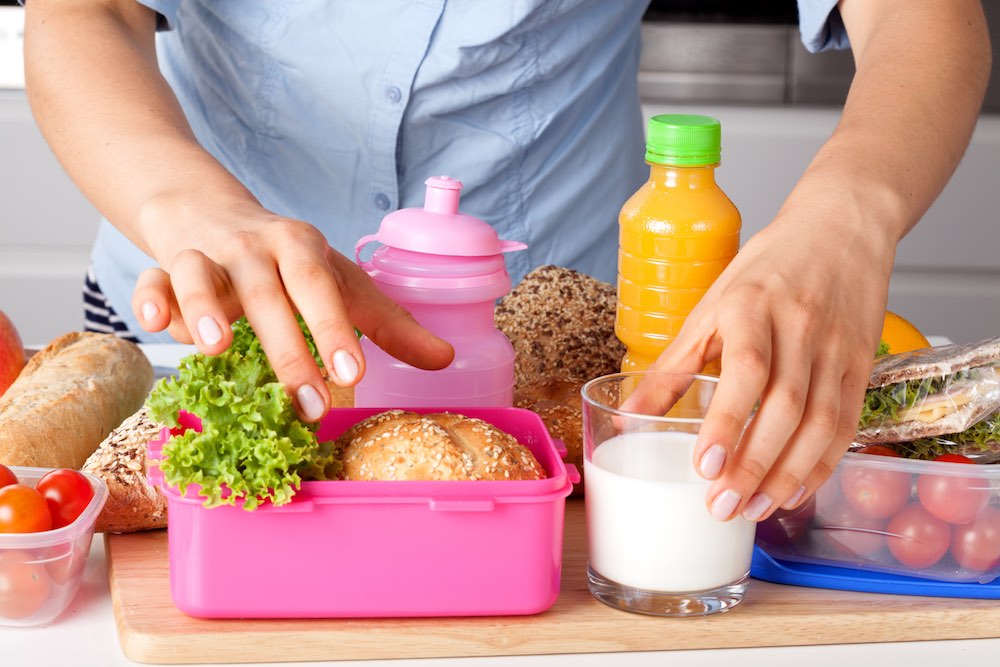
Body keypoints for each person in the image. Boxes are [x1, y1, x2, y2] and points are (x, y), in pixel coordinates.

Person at [22, 1, 991, 524]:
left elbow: (919, 14)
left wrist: (851, 210)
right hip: (203, 313)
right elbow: (80, 12)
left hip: (553, 380)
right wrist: (191, 205)